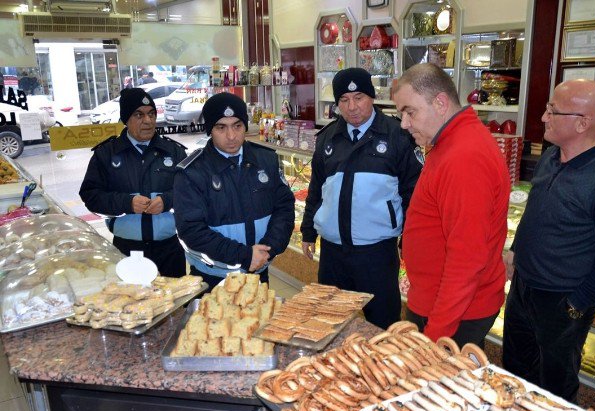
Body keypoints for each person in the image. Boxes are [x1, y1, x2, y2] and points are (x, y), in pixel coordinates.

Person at [503, 79, 595, 403]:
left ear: (582, 122)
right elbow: (535, 211)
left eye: (553, 111)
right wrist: (516, 252)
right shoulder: (551, 157)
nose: (544, 117)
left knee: (555, 389)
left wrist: (576, 305)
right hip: (524, 288)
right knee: (513, 374)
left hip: (563, 300)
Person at [392, 63, 510, 347]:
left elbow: (466, 260)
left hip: (454, 314)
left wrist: (435, 337)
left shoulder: (465, 156)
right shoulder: (449, 141)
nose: (404, 124)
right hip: (439, 302)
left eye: (410, 112)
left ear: (441, 103)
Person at [300, 67, 422, 329]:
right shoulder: (327, 139)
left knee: (382, 326)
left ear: (372, 97)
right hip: (333, 254)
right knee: (328, 325)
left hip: (376, 254)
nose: (352, 107)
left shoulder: (397, 136)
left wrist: (410, 243)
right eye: (344, 100)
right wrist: (308, 231)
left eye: (359, 98)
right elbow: (317, 188)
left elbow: (413, 193)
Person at [173, 92, 294, 289]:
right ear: (210, 130)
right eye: (221, 127)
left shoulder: (266, 160)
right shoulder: (192, 172)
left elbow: (285, 208)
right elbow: (192, 230)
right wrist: (245, 255)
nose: (231, 136)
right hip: (212, 277)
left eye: (237, 126)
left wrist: (267, 249)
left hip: (259, 272)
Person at [79, 88, 187, 277]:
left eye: (151, 114)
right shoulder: (107, 154)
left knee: (176, 304)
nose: (148, 121)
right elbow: (91, 196)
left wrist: (167, 200)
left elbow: (191, 192)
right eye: (139, 115)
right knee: (133, 304)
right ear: (126, 119)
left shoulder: (174, 151)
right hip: (125, 252)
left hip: (169, 250)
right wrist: (126, 203)